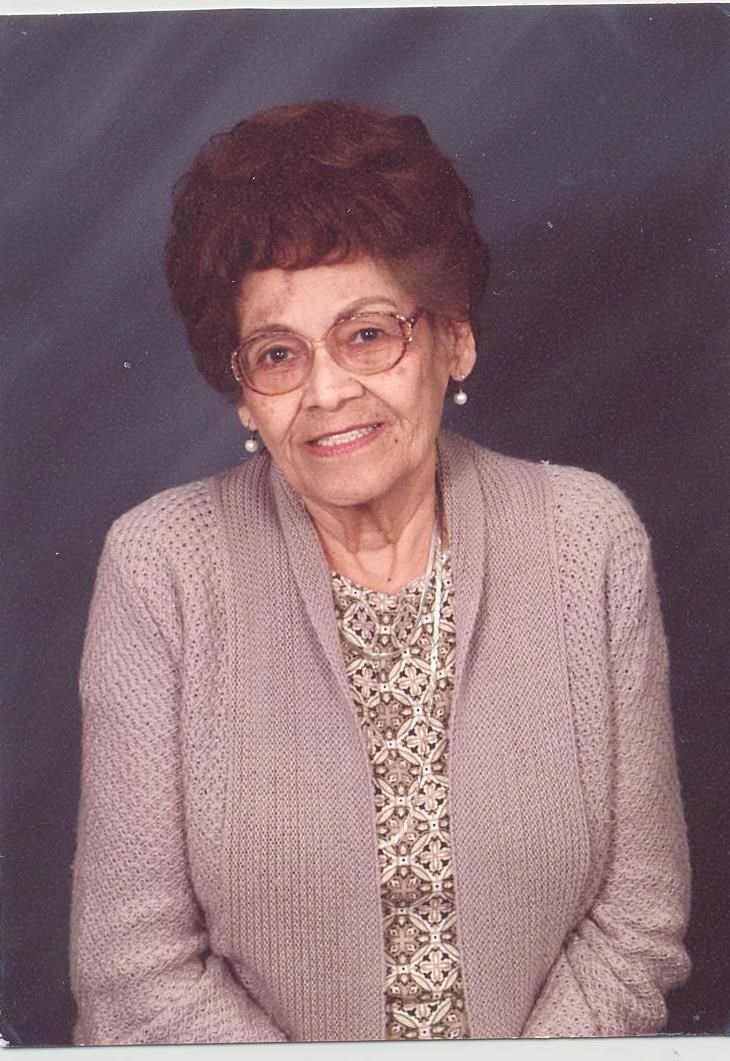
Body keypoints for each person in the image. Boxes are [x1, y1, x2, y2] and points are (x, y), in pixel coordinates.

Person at [69, 100, 690, 1044]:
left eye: (367, 335)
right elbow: (133, 967)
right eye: (279, 354)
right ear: (243, 393)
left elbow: (638, 921)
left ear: (454, 339)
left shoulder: (586, 539)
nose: (327, 391)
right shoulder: (164, 567)